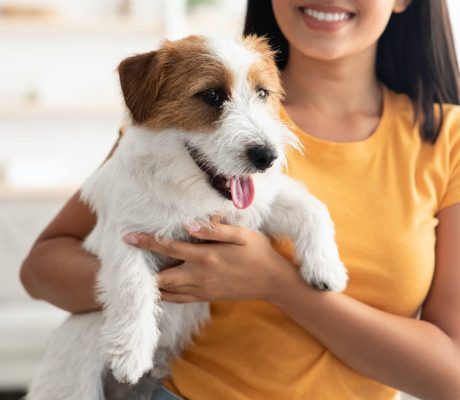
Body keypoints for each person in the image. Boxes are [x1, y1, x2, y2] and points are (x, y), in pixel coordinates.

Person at [20, 1, 460, 399]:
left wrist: (274, 283)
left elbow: (451, 377)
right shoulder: (164, 127)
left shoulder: (448, 142)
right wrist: (158, 280)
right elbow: (41, 269)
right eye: (213, 98)